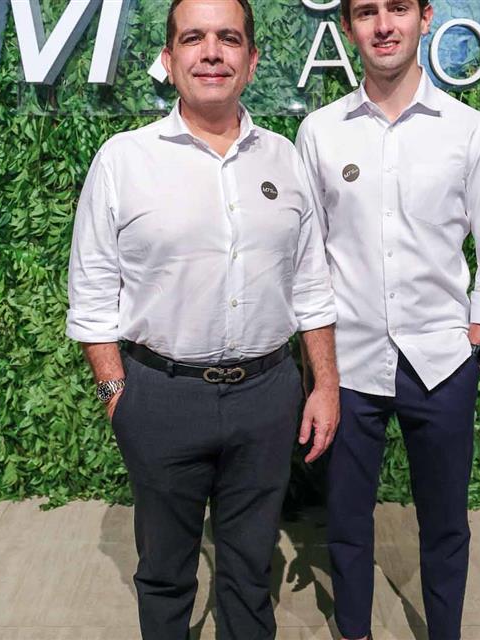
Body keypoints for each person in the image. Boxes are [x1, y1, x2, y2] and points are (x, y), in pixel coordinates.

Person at [65, 1, 340, 638]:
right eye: (193, 38)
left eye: (228, 39)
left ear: (251, 60)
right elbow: (92, 292)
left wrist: (324, 384)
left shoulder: (284, 159)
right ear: (169, 59)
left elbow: (311, 285)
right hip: (160, 398)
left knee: (251, 568)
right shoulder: (124, 159)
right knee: (165, 571)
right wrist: (117, 395)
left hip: (267, 397)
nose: (211, 52)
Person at [296, 1, 480, 638]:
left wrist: (479, 337)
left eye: (397, 7)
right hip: (349, 365)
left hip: (443, 363)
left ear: (425, 17)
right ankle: (355, 631)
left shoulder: (470, 131)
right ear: (347, 28)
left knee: (446, 522)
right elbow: (307, 253)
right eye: (366, 12)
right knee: (346, 521)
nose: (383, 25)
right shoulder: (320, 132)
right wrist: (320, 366)